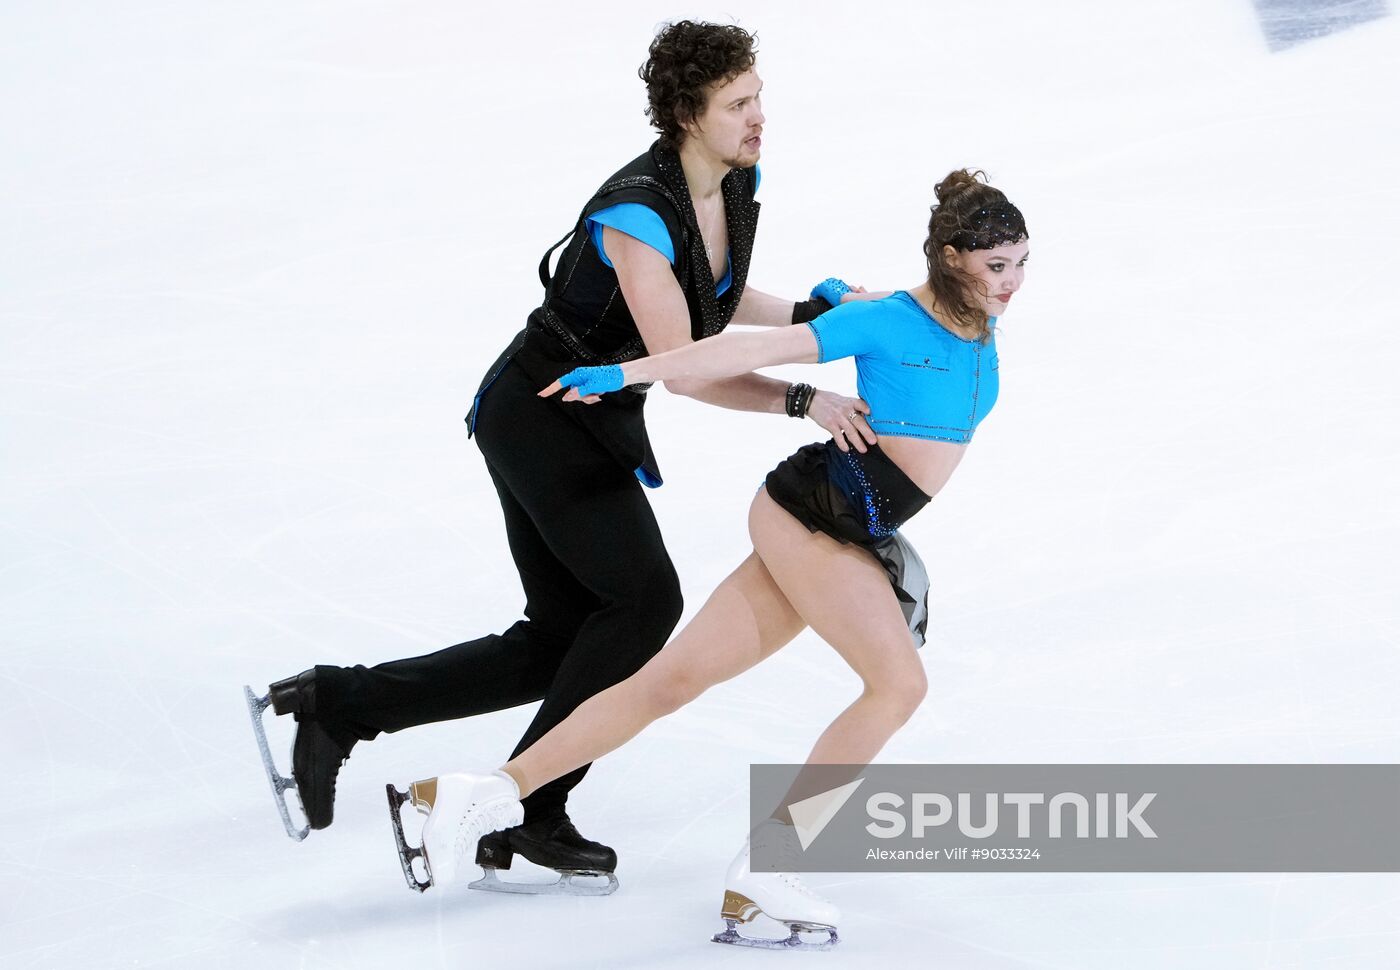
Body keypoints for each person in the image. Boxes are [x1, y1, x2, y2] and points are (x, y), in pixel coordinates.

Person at [243, 20, 870, 896]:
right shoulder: (637, 216)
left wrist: (807, 310)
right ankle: (525, 809)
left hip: (587, 419)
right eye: (737, 104)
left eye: (758, 96)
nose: (759, 116)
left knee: (561, 640)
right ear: (687, 114)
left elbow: (710, 294)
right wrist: (801, 397)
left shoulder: (733, 181)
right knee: (643, 603)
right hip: (540, 415)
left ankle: (342, 704)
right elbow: (686, 365)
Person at [386, 169, 1029, 946]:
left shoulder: (964, 318)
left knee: (670, 680)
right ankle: (769, 871)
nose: (1012, 282)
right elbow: (735, 349)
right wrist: (624, 372)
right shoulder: (888, 321)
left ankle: (469, 797)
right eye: (997, 265)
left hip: (848, 525)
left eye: (1021, 263)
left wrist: (840, 294)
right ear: (952, 258)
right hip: (813, 519)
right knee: (897, 685)